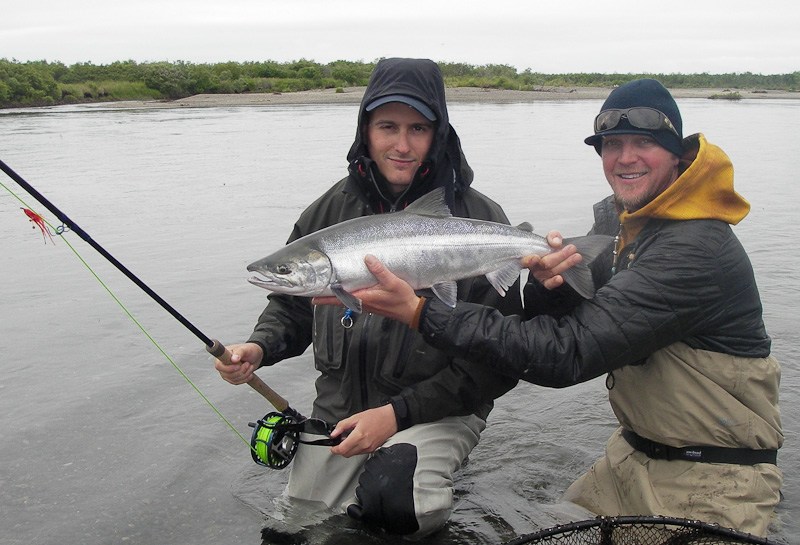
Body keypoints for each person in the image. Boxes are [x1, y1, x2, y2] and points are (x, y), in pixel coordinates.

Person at [316, 79, 784, 536]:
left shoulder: (695, 248)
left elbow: (565, 355)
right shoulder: (628, 232)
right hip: (631, 458)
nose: (625, 157)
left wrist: (420, 313)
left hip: (715, 480)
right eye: (611, 144)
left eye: (644, 141)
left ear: (679, 155)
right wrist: (551, 286)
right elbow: (555, 327)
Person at [214, 58, 525, 538]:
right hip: (341, 412)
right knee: (298, 520)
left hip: (436, 408)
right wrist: (259, 348)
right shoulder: (327, 213)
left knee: (397, 507)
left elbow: (499, 360)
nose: (402, 145)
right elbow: (293, 303)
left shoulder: (480, 220)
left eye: (418, 128)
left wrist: (396, 416)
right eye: (387, 126)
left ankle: (427, 475)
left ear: (438, 134)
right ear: (366, 130)